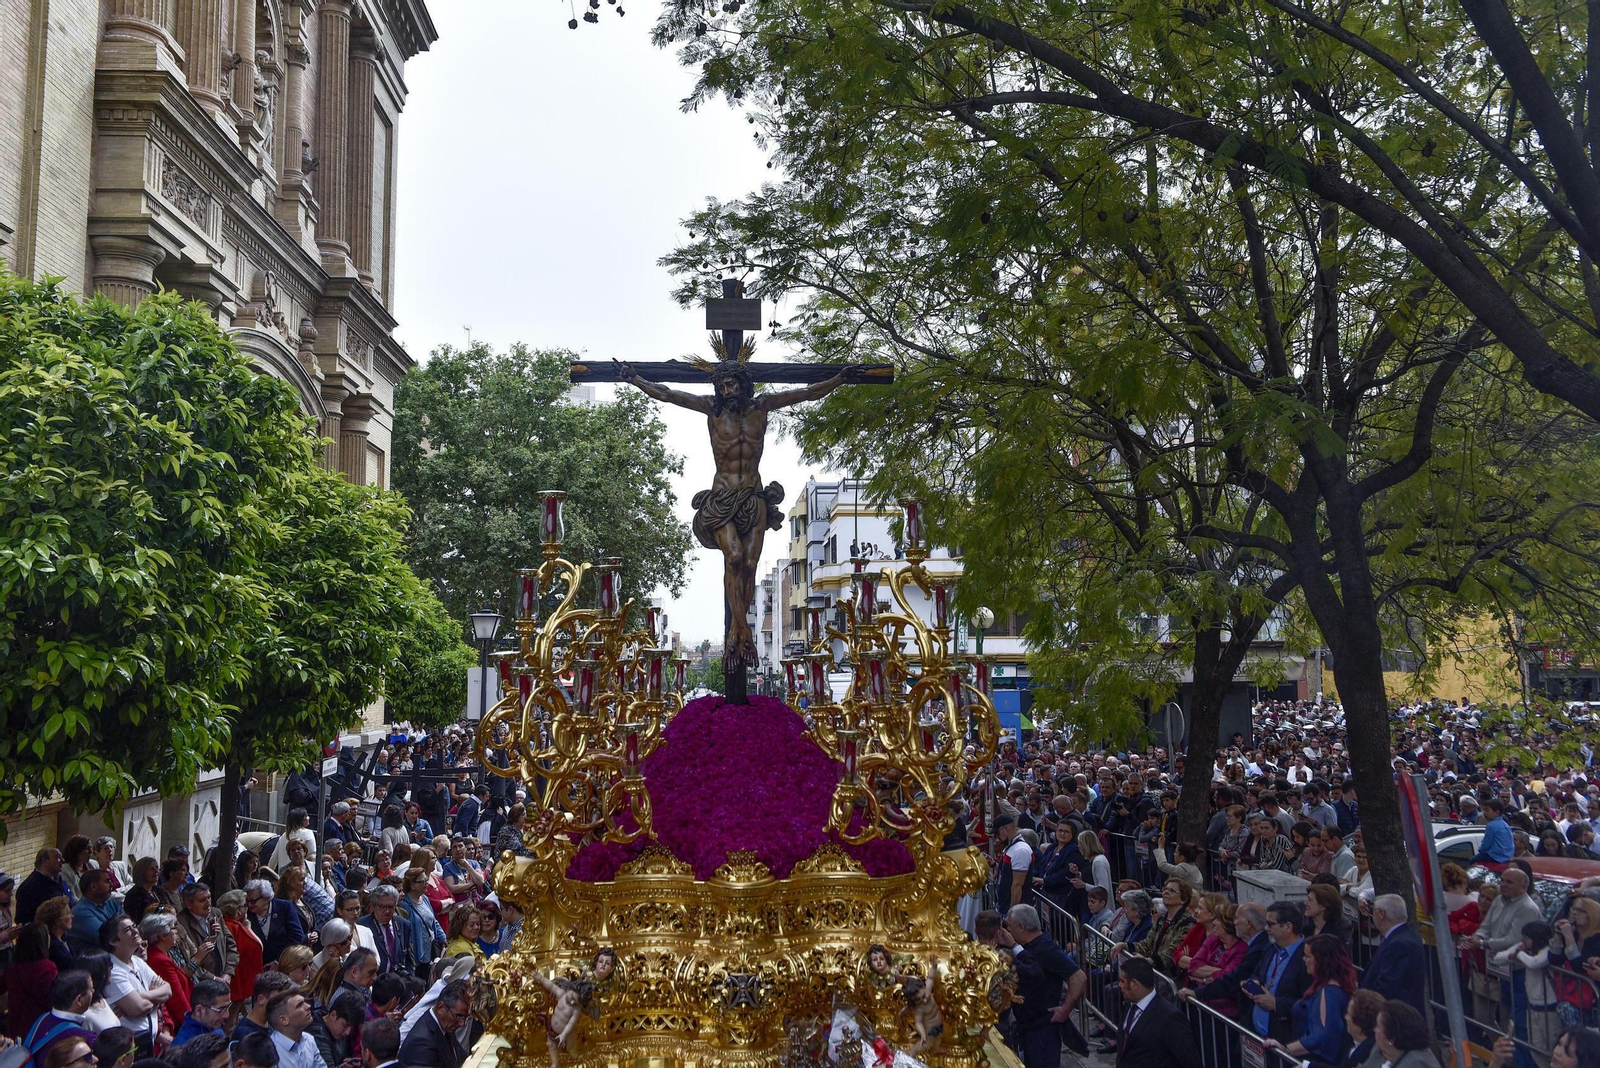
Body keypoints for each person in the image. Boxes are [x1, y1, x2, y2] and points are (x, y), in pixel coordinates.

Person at [993, 904, 1078, 1068]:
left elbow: (1078, 976)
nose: (1007, 929)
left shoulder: (1046, 948)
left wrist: (1066, 1009)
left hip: (1043, 1031)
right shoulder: (1024, 947)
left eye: (1009, 925)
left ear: (1021, 927)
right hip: (1028, 1028)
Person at [1279, 933, 1357, 1067]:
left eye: (1308, 956)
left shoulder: (1329, 993)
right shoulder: (1340, 987)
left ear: (1321, 960)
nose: (1304, 959)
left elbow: (1321, 1037)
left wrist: (1285, 1050)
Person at [100, 916, 170, 1057]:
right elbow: (137, 1008)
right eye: (127, 930)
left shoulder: (137, 961)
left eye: (134, 926)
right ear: (114, 941)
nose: (135, 931)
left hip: (152, 1039)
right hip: (131, 1048)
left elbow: (167, 990)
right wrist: (155, 997)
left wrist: (141, 995)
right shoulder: (112, 971)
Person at [1113, 956, 1201, 1068]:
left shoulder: (1171, 1017)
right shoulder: (1129, 1006)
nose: (1120, 985)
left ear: (1134, 984)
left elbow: (1190, 1061)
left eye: (1122, 981)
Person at [1246, 900, 1312, 1044]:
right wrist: (1254, 982)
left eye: (1270, 924)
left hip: (1284, 1040)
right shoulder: (1270, 949)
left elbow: (1309, 1003)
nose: (1266, 928)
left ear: (1288, 927)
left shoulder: (1308, 958)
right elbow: (1257, 972)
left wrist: (1276, 1004)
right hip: (1257, 1037)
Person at [1358, 893, 1428, 1019]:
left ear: (1381, 913)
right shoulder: (1399, 938)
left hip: (1395, 1020)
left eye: (1373, 911)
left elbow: (1387, 986)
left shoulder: (1400, 944)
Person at [137, 912, 190, 1035]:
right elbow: (176, 998)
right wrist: (191, 1021)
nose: (176, 932)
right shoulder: (159, 960)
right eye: (173, 928)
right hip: (177, 1025)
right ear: (162, 935)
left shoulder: (161, 954)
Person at [396, 979, 470, 1068]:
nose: (462, 1024)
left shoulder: (444, 1025)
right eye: (458, 1016)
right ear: (440, 1007)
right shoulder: (422, 1043)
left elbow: (462, 1058)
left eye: (465, 1018)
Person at [22, 970, 97, 1054]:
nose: (93, 991)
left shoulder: (40, 1020)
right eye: (91, 989)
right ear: (79, 1000)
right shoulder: (86, 1039)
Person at [175, 884, 235, 986]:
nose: (208, 903)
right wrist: (214, 979)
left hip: (224, 981)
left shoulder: (216, 913)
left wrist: (228, 973)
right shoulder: (180, 924)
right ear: (189, 904)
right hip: (201, 985)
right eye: (202, 900)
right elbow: (188, 961)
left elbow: (231, 946)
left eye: (209, 897)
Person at [8, 923, 60, 1038]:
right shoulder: (47, 967)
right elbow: (53, 999)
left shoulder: (14, 969)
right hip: (39, 1027)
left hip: (15, 1026)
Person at [217, 889, 263, 1011]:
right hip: (235, 981)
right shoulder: (235, 927)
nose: (247, 908)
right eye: (244, 906)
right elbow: (258, 946)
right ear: (237, 909)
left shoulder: (226, 924)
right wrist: (248, 928)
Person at [244, 881, 304, 967]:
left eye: (253, 901)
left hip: (284, 966)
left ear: (266, 897)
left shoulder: (285, 907)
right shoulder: (246, 914)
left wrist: (278, 961)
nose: (249, 905)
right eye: (247, 901)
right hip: (257, 967)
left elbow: (297, 937)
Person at [357, 888, 413, 978]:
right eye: (382, 907)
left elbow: (408, 958)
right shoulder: (362, 926)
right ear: (373, 906)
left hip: (397, 982)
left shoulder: (403, 924)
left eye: (391, 907)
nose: (387, 911)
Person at [231, 972, 300, 1043]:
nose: (283, 1005)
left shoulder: (273, 1023)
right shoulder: (246, 1035)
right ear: (261, 999)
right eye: (279, 999)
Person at [68, 871, 122, 958]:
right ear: (93, 887)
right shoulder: (80, 913)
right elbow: (109, 939)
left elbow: (128, 926)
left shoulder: (112, 904)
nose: (111, 885)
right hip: (94, 966)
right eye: (107, 881)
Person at [1372, 999, 1440, 1068]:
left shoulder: (1417, 1064)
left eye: (1377, 1026)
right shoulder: (1379, 1053)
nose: (1374, 1029)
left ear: (1391, 1037)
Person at [264, 990, 322, 1068]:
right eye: (299, 1005)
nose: (308, 1006)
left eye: (304, 1002)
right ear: (284, 1020)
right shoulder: (269, 1052)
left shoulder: (309, 1040)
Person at [307, 991, 364, 1068]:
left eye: (351, 1027)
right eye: (345, 1025)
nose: (347, 1032)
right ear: (333, 1015)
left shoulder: (339, 1026)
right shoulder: (317, 1033)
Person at [169, 980, 229, 1048]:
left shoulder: (214, 1027)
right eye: (220, 1010)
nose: (227, 1015)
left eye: (227, 1008)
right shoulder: (183, 1047)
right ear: (199, 1010)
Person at [17, 849, 68, 926]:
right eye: (58, 857)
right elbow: (23, 921)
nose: (62, 860)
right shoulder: (28, 888)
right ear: (44, 862)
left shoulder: (58, 878)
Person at [37, 897, 76, 971]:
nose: (72, 916)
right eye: (68, 913)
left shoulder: (65, 939)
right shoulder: (54, 948)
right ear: (57, 921)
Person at [1473, 799, 1516, 865]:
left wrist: (1481, 851)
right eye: (1484, 810)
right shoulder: (1505, 824)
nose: (1484, 812)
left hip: (1494, 857)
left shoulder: (1491, 826)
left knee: (1471, 861)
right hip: (1507, 857)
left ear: (1496, 812)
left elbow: (1486, 844)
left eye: (1487, 810)